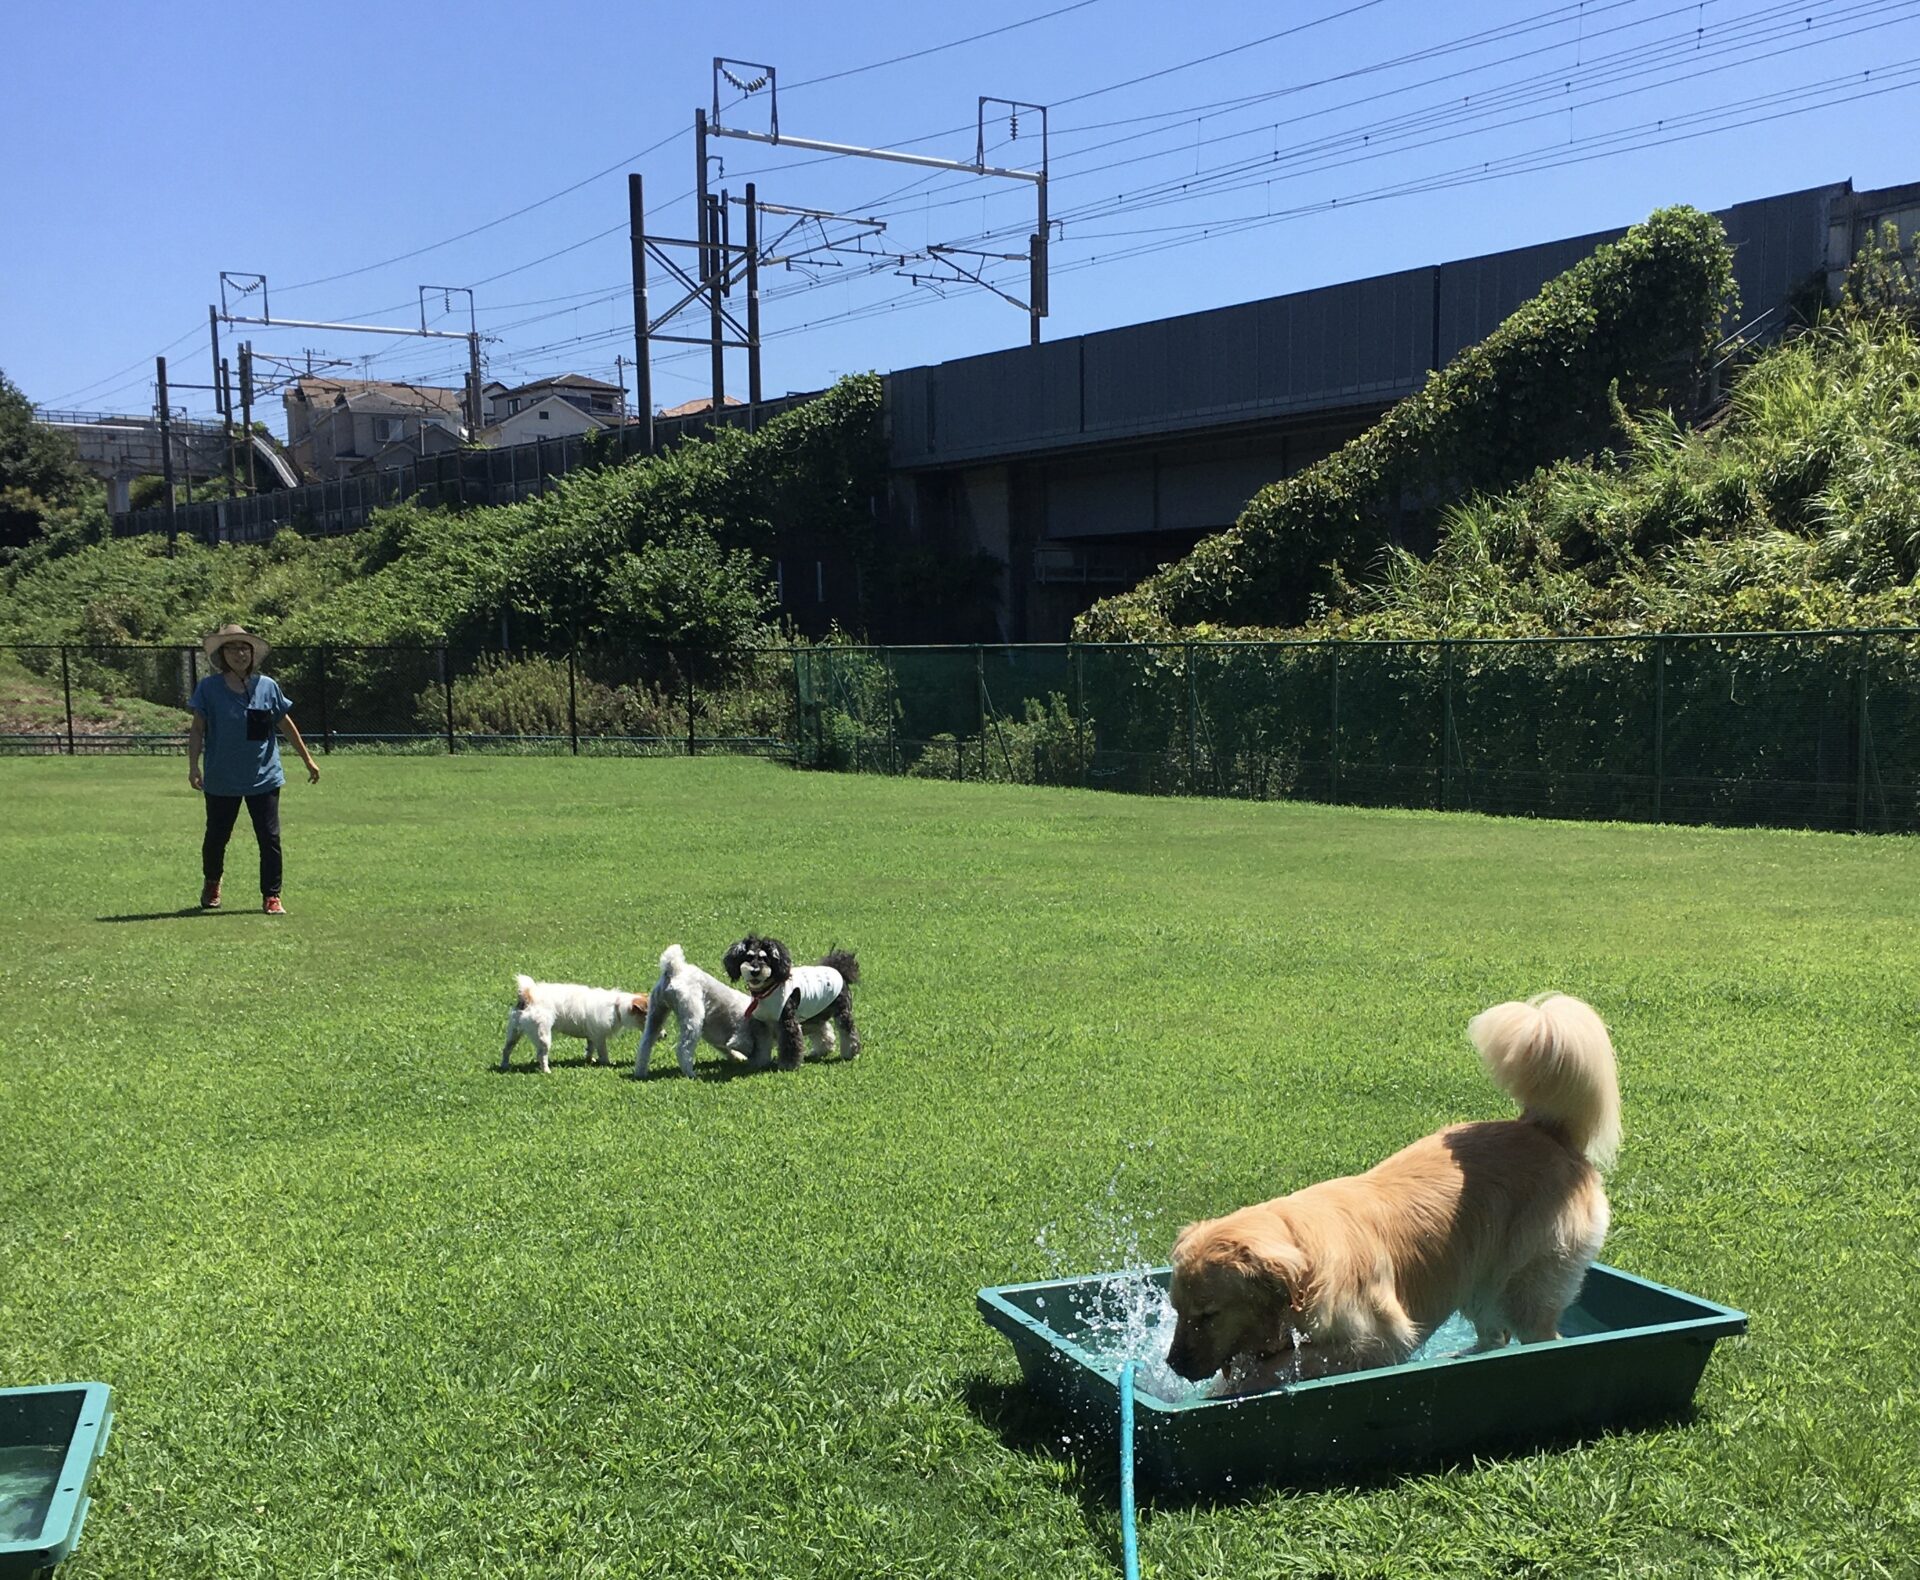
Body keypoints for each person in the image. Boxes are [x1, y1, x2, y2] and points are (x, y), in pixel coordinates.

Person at [185, 623, 320, 915]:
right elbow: (197, 729)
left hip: (264, 776)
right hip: (222, 778)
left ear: (252, 653)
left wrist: (307, 759)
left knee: (269, 837)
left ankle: (272, 895)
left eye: (244, 648)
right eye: (232, 648)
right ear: (222, 655)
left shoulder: (267, 686)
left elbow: (285, 723)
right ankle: (212, 882)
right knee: (217, 836)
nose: (239, 654)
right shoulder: (209, 688)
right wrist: (193, 766)